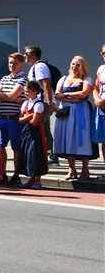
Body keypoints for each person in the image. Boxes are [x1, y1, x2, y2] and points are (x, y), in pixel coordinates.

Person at [53, 55, 99, 180]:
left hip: (81, 112)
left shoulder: (86, 79)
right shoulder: (63, 79)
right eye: (73, 64)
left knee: (83, 137)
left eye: (77, 65)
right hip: (66, 111)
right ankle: (71, 169)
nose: (74, 67)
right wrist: (73, 99)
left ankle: (85, 169)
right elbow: (57, 95)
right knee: (66, 138)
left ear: (83, 67)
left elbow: (84, 93)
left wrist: (66, 95)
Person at [0, 52, 27, 186]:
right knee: (0, 145)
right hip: (2, 117)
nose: (11, 65)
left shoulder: (23, 79)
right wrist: (8, 96)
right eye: (10, 63)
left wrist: (5, 95)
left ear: (21, 64)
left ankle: (16, 174)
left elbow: (11, 95)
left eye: (15, 63)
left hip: (15, 118)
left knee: (16, 147)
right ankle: (2, 173)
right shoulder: (4, 78)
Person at [24, 45, 58, 164]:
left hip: (42, 103)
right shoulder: (36, 67)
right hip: (42, 103)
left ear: (33, 54)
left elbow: (46, 84)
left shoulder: (39, 67)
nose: (25, 56)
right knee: (45, 129)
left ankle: (43, 155)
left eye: (26, 53)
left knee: (37, 127)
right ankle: (51, 154)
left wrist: (49, 102)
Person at [17, 81, 49, 189]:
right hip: (27, 132)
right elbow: (20, 119)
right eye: (25, 92)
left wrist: (27, 117)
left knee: (36, 154)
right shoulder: (26, 103)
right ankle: (31, 179)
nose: (26, 94)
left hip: (36, 132)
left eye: (28, 91)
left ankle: (38, 180)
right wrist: (28, 117)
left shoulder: (38, 104)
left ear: (35, 91)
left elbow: (35, 122)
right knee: (28, 155)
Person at [92, 43, 105, 171]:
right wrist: (97, 99)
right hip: (102, 109)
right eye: (103, 53)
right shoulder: (101, 69)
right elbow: (96, 88)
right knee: (104, 141)